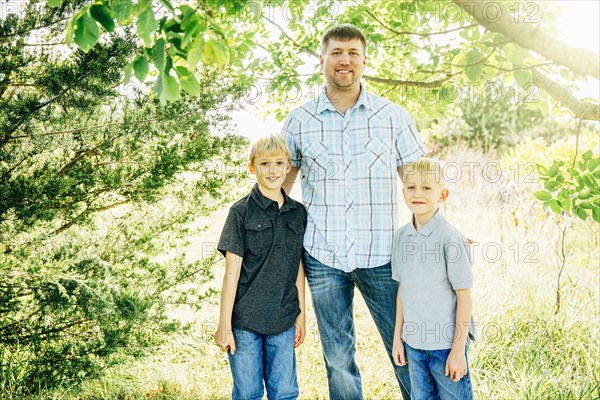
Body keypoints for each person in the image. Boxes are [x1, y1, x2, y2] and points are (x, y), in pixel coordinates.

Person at [281, 24, 427, 399]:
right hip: (322, 255)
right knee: (338, 356)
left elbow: (418, 179)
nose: (344, 61)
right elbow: (280, 185)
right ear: (322, 60)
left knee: (407, 345)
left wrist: (436, 233)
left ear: (364, 60)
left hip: (381, 255)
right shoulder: (300, 121)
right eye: (336, 53)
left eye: (352, 53)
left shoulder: (392, 116)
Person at [214, 134, 307, 400]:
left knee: (285, 392)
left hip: (283, 318)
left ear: (288, 166)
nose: (273, 170)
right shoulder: (240, 212)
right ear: (252, 167)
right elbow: (231, 273)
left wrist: (301, 317)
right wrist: (225, 325)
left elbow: (298, 268)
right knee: (247, 393)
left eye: (279, 163)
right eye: (265, 164)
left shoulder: (298, 212)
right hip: (245, 322)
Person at [391, 158, 476, 399]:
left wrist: (458, 351)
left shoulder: (450, 238)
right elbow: (403, 291)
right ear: (403, 191)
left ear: (443, 194)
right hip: (414, 346)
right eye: (411, 187)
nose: (417, 193)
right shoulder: (401, 237)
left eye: (427, 187)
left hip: (445, 346)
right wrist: (398, 338)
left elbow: (465, 296)